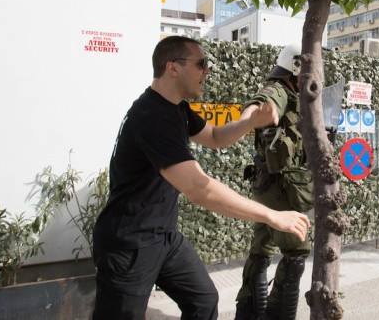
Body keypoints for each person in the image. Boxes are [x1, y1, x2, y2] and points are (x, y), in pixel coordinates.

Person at [92, 36, 311, 320]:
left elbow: (216, 137)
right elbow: (199, 188)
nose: (207, 71)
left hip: (164, 237)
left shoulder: (177, 108)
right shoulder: (152, 117)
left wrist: (249, 122)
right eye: (201, 64)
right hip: (129, 243)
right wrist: (272, 216)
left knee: (203, 300)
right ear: (172, 67)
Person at [234, 44, 313, 320]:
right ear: (295, 69)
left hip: (267, 185)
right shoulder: (279, 90)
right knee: (296, 252)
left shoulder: (295, 94)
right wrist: (256, 113)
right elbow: (262, 102)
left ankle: (248, 313)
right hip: (280, 189)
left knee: (261, 248)